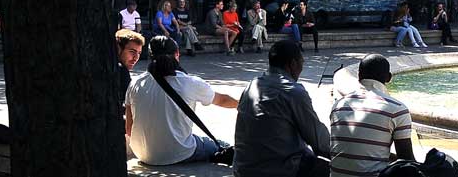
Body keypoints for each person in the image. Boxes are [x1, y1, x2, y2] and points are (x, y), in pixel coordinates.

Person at [125, 36, 239, 165]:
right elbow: (222, 100)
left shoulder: (135, 83)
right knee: (221, 145)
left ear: (150, 56)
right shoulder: (189, 82)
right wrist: (243, 104)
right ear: (177, 54)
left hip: (143, 153)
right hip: (179, 152)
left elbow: (129, 129)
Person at [234, 40, 331, 177]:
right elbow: (319, 142)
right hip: (280, 171)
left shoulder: (251, 86)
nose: (302, 67)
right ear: (292, 64)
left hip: (243, 170)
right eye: (301, 63)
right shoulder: (293, 92)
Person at [330, 54, 414, 176]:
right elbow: (406, 161)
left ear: (359, 75)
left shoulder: (338, 105)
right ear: (389, 78)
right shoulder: (397, 110)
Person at [115, 28, 145, 108]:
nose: (136, 58)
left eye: (139, 53)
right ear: (118, 49)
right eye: (132, 52)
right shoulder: (121, 71)